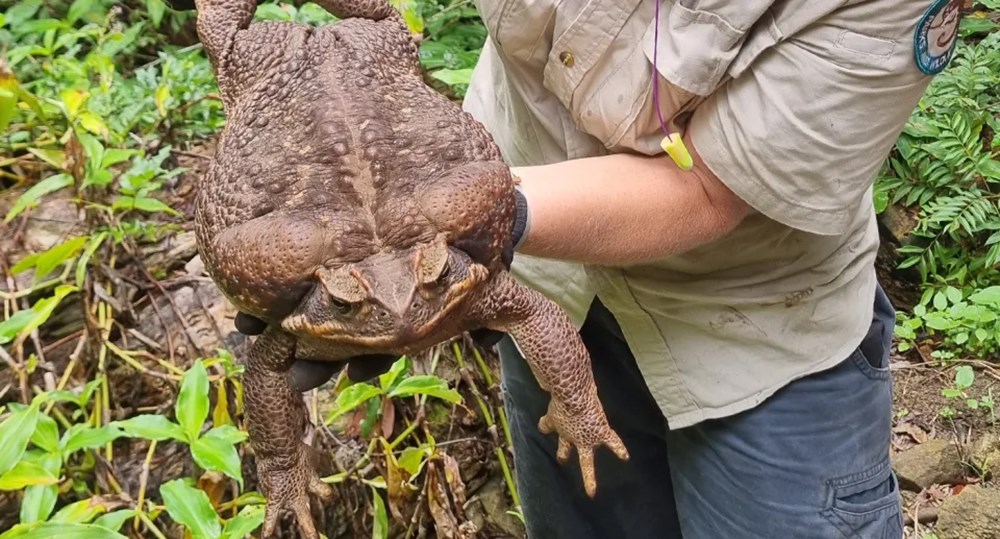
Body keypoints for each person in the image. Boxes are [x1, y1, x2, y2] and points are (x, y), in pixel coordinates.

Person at [223, 0, 964, 537]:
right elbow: (268, 367)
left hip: (752, 330)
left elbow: (706, 189)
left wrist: (474, 227)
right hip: (529, 267)